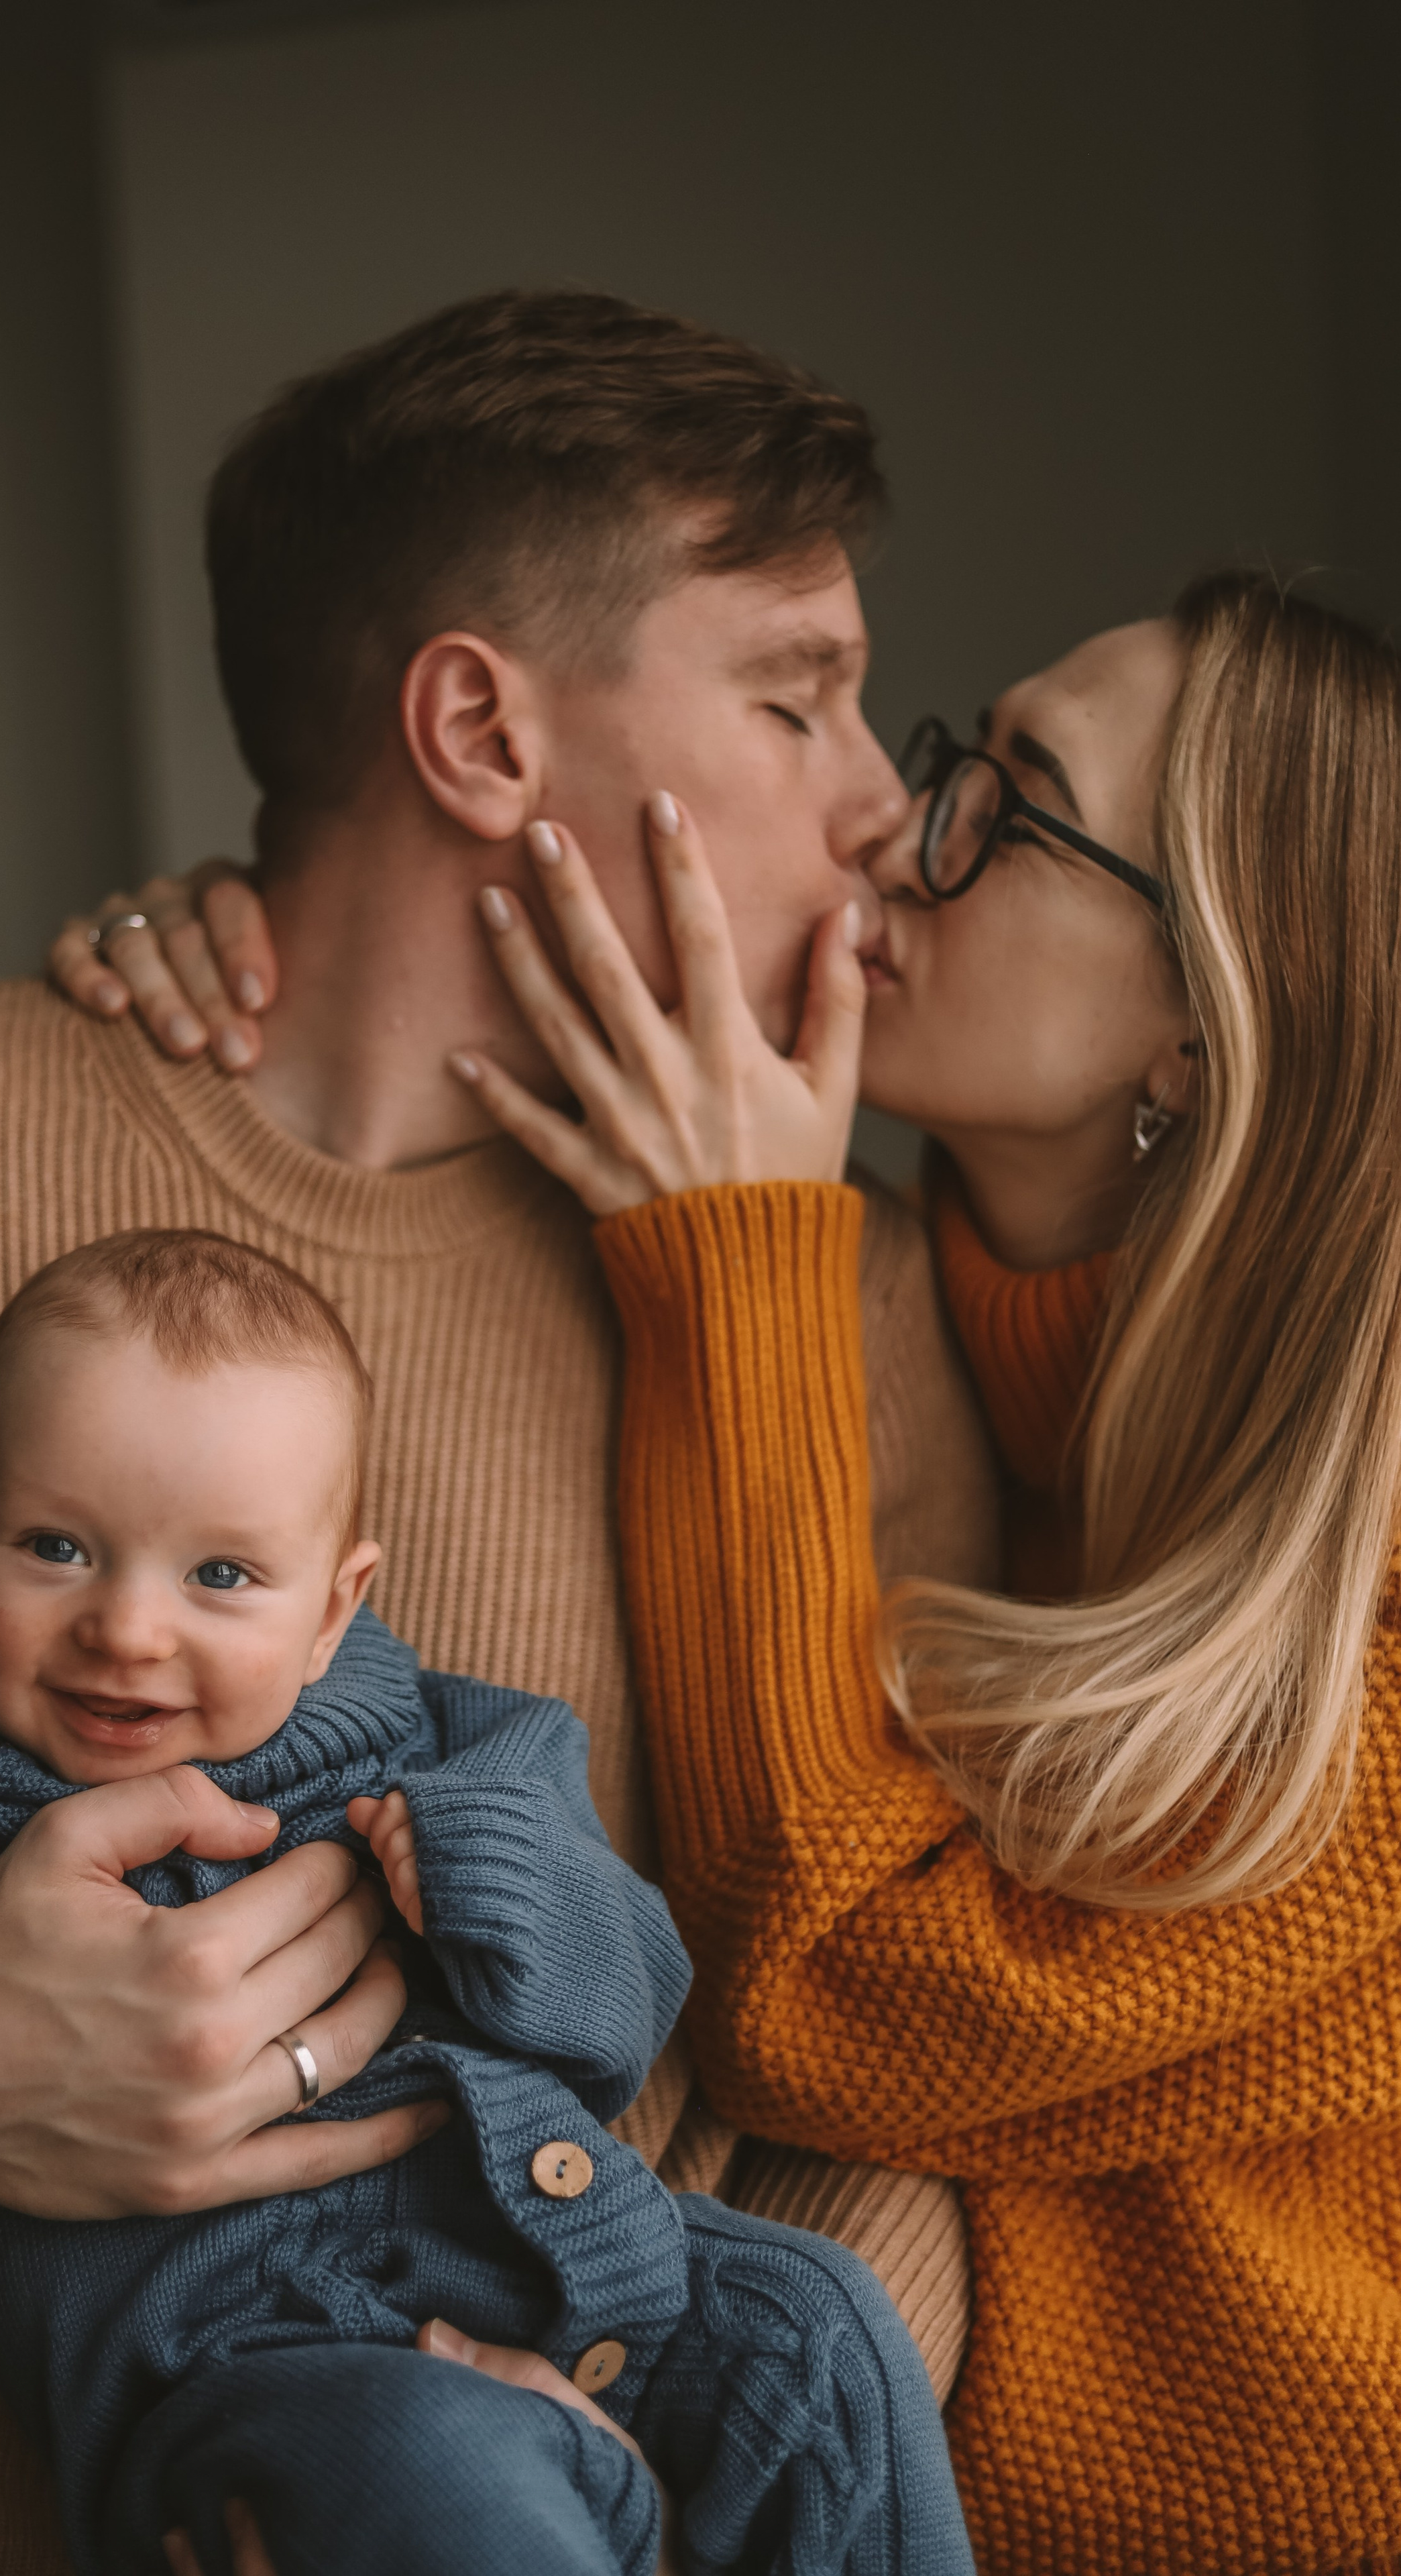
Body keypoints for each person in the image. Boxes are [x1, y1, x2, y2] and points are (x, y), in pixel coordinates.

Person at [0, 288, 995, 2574]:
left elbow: (897, 2083)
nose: (885, 802)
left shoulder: (846, 1299)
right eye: (797, 695)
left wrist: (613, 2463)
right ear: (479, 726)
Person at [416, 570, 1401, 2573]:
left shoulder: (1364, 1595)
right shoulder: (952, 1314)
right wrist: (216, 925)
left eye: (1009, 799)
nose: (887, 819)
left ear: (1203, 1035)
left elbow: (829, 1996)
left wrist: (740, 1259)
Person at [0, 1228, 972, 2576]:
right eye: (55, 1548)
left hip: (570, 2249)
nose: (126, 1628)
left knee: (819, 2321)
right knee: (439, 2465)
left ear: (334, 1610)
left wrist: (496, 1871)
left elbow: (627, 2013)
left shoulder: (454, 1752)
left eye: (220, 1576)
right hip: (258, 2370)